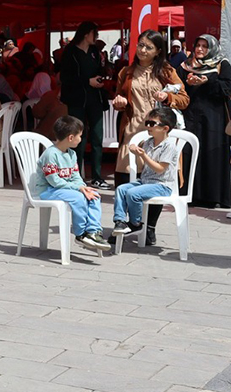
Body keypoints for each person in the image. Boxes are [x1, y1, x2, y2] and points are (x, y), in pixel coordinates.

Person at [110, 30, 189, 188]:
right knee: (129, 181)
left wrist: (168, 97)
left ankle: (151, 214)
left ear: (158, 51)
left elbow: (184, 99)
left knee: (157, 183)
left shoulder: (167, 72)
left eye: (149, 47)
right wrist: (120, 102)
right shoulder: (126, 73)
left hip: (159, 136)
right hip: (133, 131)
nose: (143, 50)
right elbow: (119, 99)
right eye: (140, 45)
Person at [33, 116, 112, 251]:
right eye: (80, 136)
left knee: (93, 194)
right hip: (48, 190)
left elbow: (76, 176)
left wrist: (83, 187)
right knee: (78, 198)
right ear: (70, 138)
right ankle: (80, 233)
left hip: (65, 189)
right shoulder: (50, 155)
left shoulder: (72, 154)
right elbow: (54, 181)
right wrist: (78, 188)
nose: (81, 139)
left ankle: (93, 231)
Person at [112, 106, 181, 244]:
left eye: (151, 124)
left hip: (162, 185)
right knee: (121, 189)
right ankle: (120, 221)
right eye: (147, 123)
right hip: (145, 181)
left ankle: (136, 223)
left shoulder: (169, 146)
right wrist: (134, 148)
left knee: (133, 194)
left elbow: (160, 169)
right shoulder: (148, 142)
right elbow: (140, 153)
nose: (148, 127)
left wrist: (143, 155)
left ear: (165, 128)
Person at [180, 34, 231, 208]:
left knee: (212, 154)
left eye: (204, 46)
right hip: (192, 117)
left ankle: (214, 197)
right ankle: (191, 195)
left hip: (214, 120)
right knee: (191, 153)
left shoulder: (221, 64)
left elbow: (226, 89)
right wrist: (189, 82)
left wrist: (207, 81)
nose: (200, 49)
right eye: (198, 45)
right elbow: (177, 87)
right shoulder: (187, 65)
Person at [59, 22, 109, 189]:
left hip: (95, 99)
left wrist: (100, 79)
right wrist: (87, 81)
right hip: (77, 99)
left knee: (97, 136)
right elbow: (66, 78)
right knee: (78, 137)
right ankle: (76, 175)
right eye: (95, 33)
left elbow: (99, 70)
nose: (97, 37)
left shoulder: (94, 51)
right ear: (87, 34)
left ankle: (96, 175)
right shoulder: (70, 52)